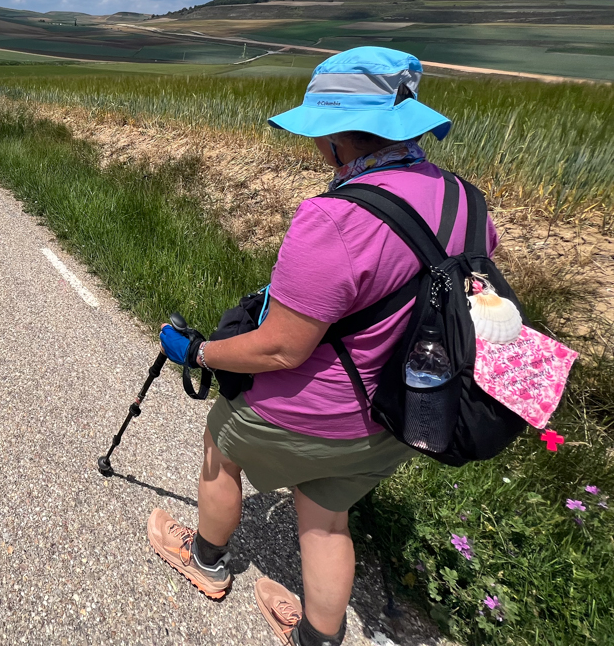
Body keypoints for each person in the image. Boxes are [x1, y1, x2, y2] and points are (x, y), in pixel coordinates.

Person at [146, 47, 497, 646]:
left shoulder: (334, 217)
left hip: (311, 412)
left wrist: (197, 353)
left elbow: (280, 350)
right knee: (328, 517)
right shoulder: (467, 199)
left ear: (338, 138)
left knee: (220, 449)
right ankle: (316, 638)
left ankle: (204, 562)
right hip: (403, 411)